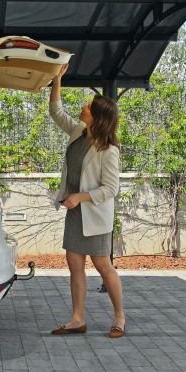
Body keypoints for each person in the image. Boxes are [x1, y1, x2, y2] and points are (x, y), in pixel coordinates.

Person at [48, 63, 127, 338]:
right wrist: (57, 80)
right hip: (75, 211)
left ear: (97, 117)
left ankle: (119, 318)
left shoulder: (109, 150)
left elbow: (111, 188)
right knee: (74, 265)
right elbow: (56, 112)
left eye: (89, 106)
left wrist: (81, 197)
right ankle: (77, 319)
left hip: (94, 214)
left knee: (104, 266)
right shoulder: (78, 131)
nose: (83, 107)